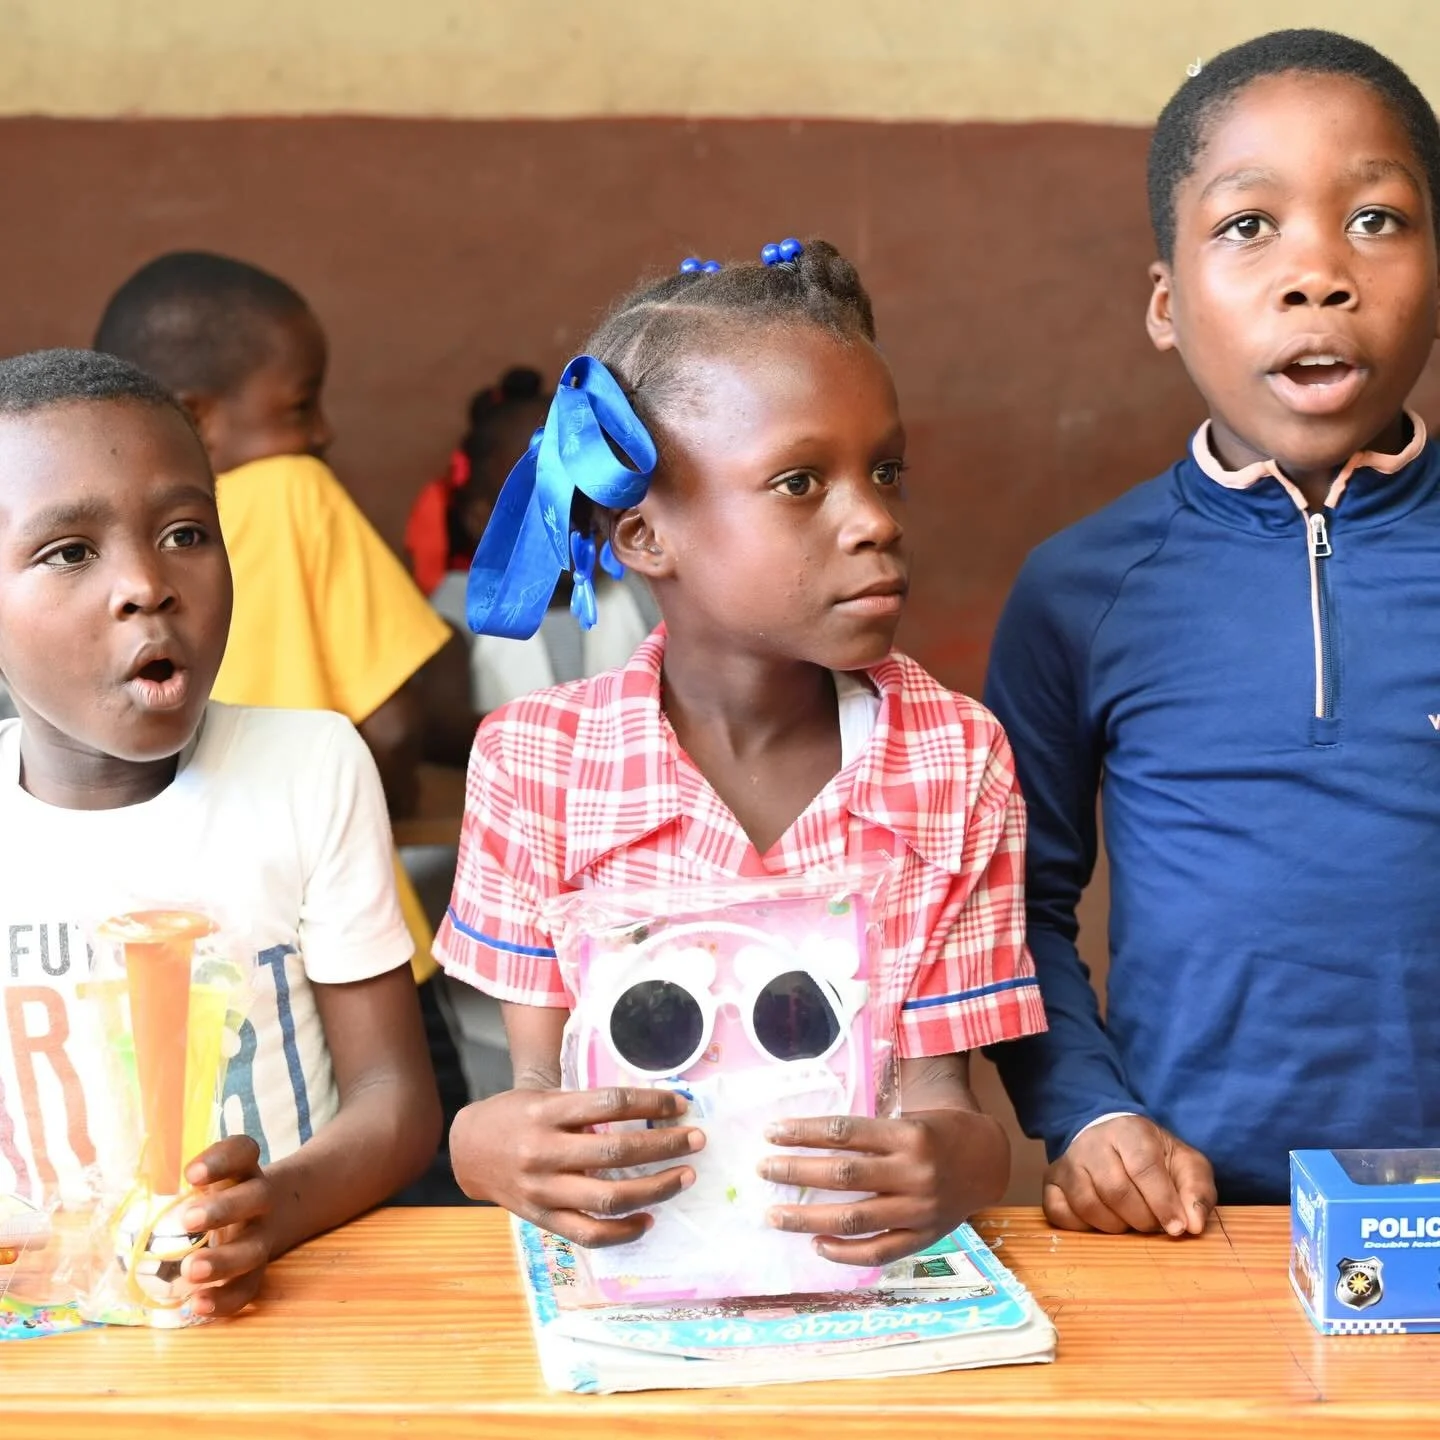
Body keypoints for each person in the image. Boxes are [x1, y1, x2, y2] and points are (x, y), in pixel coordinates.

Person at [437, 239, 1045, 1263]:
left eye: (885, 471)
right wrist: (481, 1147)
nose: (875, 521)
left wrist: (949, 1167)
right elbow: (531, 1100)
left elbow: (957, 1113)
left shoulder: (952, 757)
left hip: (875, 1296)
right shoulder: (536, 765)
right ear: (642, 539)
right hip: (634, 1288)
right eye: (803, 481)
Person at [984, 29, 1440, 1230]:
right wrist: (1085, 1116)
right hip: (1194, 1218)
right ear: (1164, 305)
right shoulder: (1080, 589)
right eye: (1250, 227)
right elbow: (1016, 897)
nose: (1318, 275)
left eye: (1378, 220)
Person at [0, 349, 441, 1317]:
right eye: (70, 551)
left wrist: (268, 1211)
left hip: (294, 1313)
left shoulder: (308, 768)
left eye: (186, 533)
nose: (146, 585)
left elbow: (397, 1103)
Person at [93, 253, 472, 1198]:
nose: (322, 432)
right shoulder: (291, 491)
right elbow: (390, 727)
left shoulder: (86, 560)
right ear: (198, 417)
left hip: (171, 967)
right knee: (403, 1202)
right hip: (350, 957)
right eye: (302, 404)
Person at [408, 366, 658, 713]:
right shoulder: (462, 605)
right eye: (547, 496)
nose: (578, 513)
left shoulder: (634, 590)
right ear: (482, 519)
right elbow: (440, 722)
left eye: (589, 491)